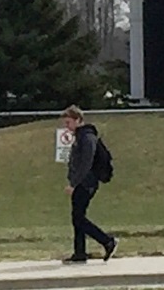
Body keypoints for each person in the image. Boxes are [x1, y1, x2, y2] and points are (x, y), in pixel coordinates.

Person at [61, 105, 117, 263]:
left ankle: (107, 241)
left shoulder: (87, 137)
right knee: (77, 217)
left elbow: (86, 164)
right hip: (81, 183)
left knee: (78, 218)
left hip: (86, 183)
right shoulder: (81, 137)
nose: (67, 126)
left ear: (78, 120)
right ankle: (80, 253)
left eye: (69, 122)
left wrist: (73, 184)